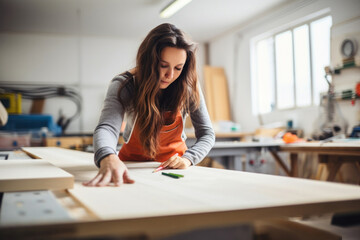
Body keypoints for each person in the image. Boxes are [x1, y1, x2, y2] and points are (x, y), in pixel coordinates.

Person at [84, 23, 215, 187]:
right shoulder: (125, 84)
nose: (170, 75)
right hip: (131, 167)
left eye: (178, 68)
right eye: (163, 65)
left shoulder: (188, 87)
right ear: (148, 61)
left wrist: (188, 159)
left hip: (174, 170)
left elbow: (207, 134)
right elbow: (107, 127)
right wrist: (108, 156)